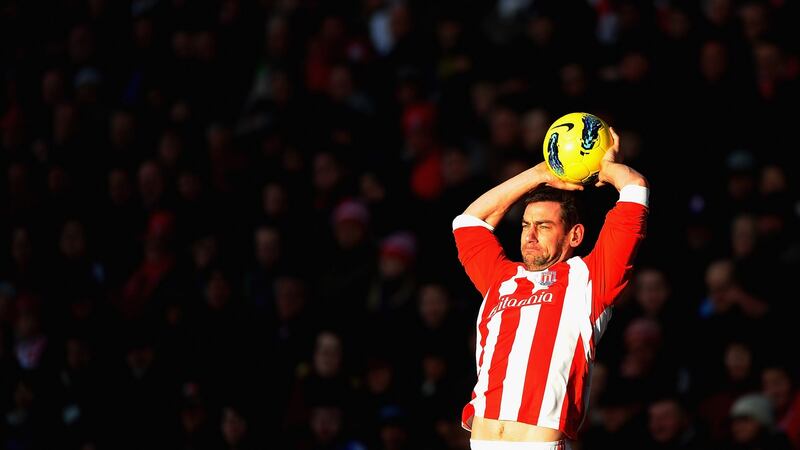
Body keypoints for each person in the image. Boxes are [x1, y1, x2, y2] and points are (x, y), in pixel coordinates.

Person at [451, 127, 648, 449]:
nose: (530, 235)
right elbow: (470, 222)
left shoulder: (590, 278)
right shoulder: (501, 277)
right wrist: (540, 172)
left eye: (543, 226)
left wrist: (609, 168)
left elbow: (635, 189)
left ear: (575, 236)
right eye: (526, 224)